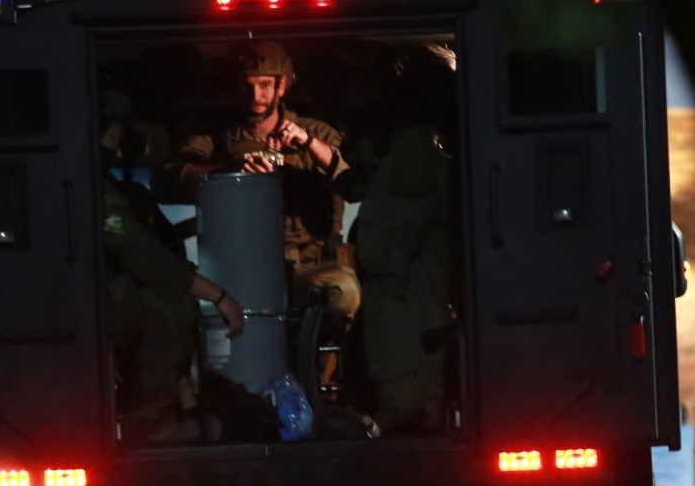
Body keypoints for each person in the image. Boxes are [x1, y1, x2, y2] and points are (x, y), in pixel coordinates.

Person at [150, 40, 361, 331]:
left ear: (282, 86)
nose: (256, 95)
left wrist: (309, 144)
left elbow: (354, 181)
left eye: (265, 85)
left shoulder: (315, 133)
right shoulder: (217, 139)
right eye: (247, 86)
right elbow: (166, 180)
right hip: (239, 266)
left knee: (340, 295)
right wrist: (231, 172)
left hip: (309, 267)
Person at [336, 43, 461, 433]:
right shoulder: (432, 154)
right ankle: (426, 411)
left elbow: (383, 263)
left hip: (405, 320)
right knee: (425, 298)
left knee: (387, 291)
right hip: (428, 309)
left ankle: (404, 407)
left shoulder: (409, 156)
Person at [101, 119, 246, 446]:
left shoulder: (115, 185)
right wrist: (217, 295)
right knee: (168, 307)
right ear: (111, 132)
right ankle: (151, 423)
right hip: (86, 304)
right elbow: (140, 255)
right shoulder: (94, 183)